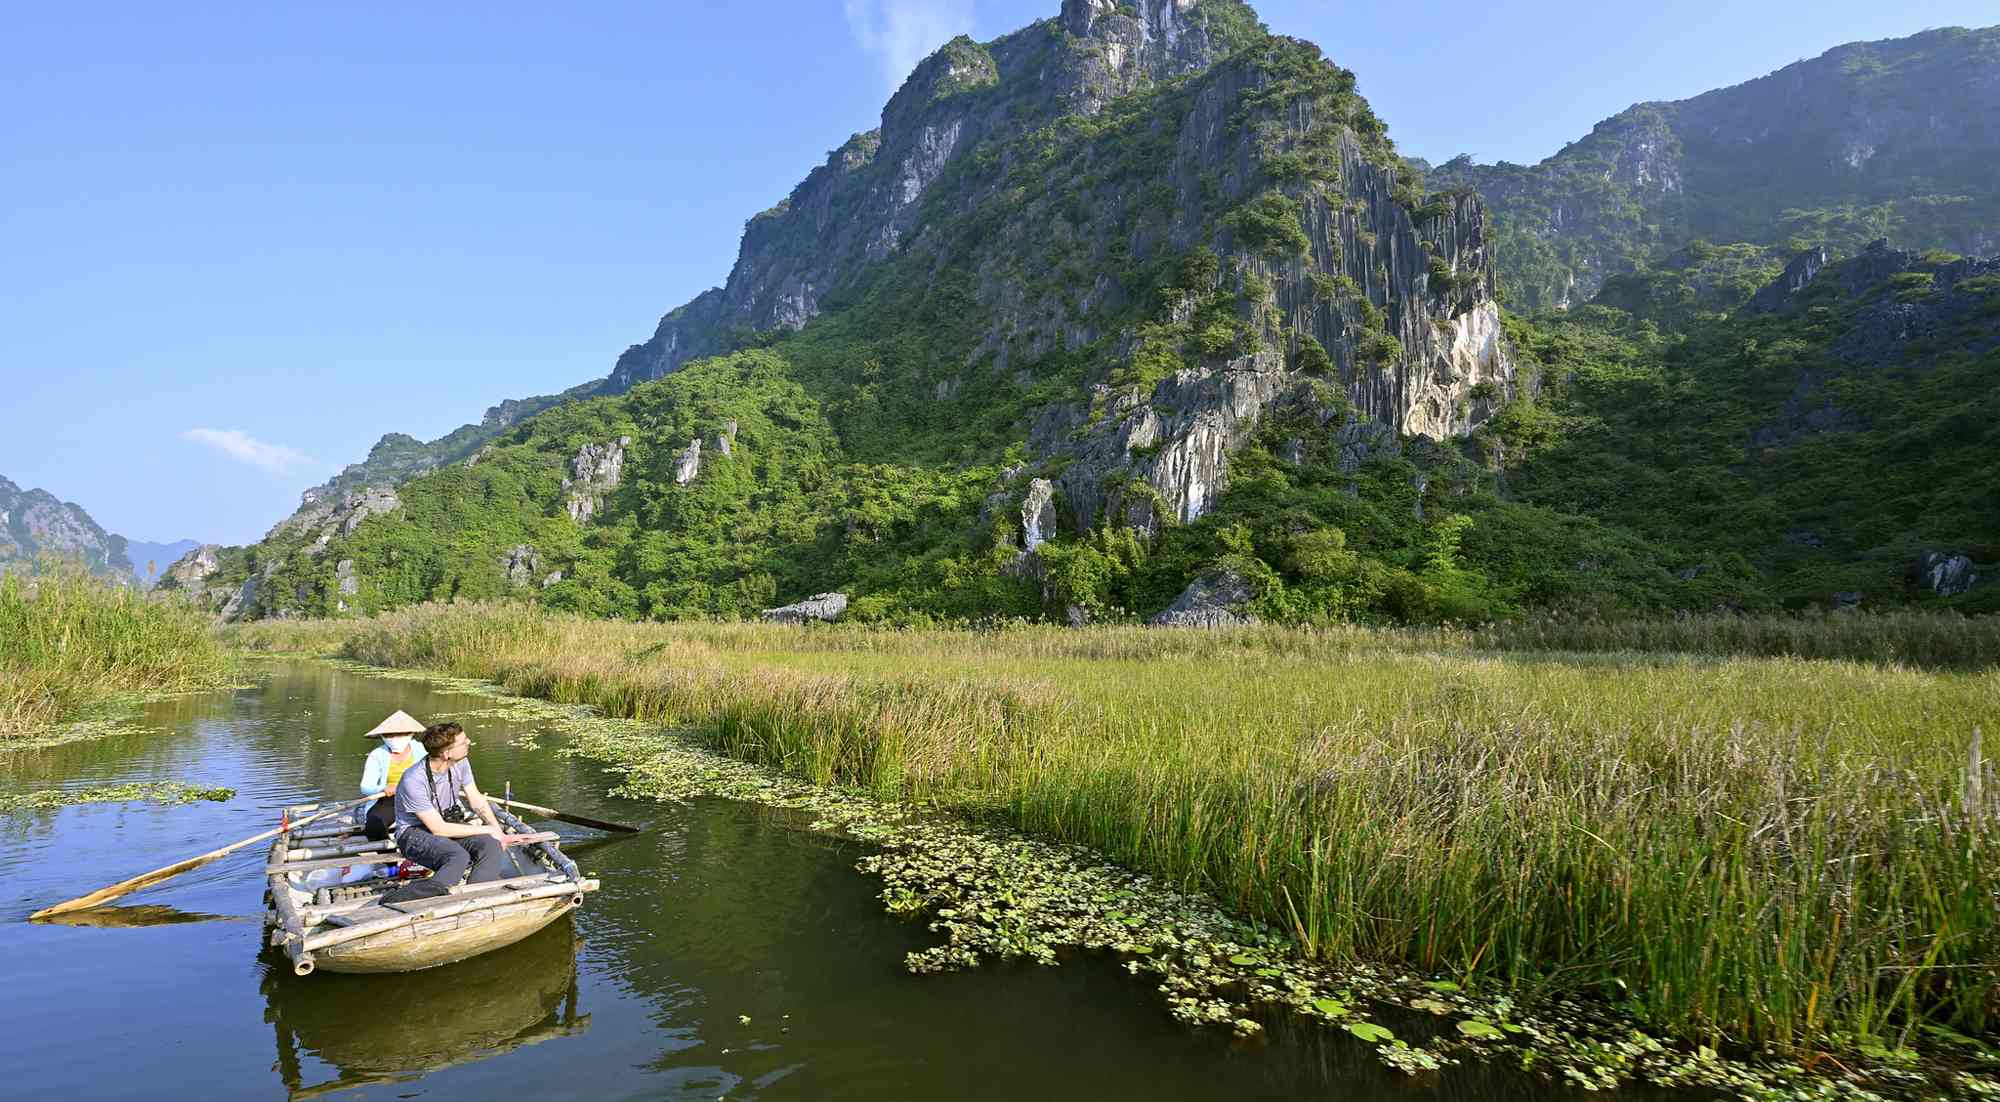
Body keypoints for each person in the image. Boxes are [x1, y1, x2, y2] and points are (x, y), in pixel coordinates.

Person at [382, 721, 523, 904]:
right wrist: (486, 830)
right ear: (446, 753)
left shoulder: (461, 763)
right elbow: (439, 829)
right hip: (413, 834)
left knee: (490, 845)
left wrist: (498, 832)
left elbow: (476, 799)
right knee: (457, 856)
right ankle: (400, 898)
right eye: (463, 742)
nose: (469, 742)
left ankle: (475, 898)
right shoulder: (413, 779)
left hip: (445, 824)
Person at [358, 710, 427, 842]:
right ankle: (391, 861)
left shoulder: (422, 750)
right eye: (390, 735)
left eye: (400, 734)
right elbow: (365, 787)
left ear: (410, 734)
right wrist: (384, 788)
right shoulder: (377, 755)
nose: (394, 738)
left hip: (419, 796)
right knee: (374, 825)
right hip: (390, 800)